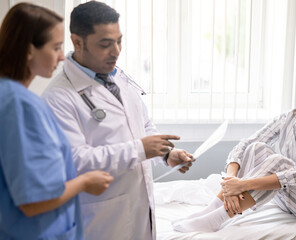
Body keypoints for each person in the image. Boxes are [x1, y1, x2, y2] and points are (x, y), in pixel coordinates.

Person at [42, 1, 193, 239]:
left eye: (119, 40)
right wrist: (140, 149)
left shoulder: (118, 77)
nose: (116, 51)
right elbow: (75, 161)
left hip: (139, 208)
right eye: (105, 44)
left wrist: (164, 154)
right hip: (101, 218)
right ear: (78, 42)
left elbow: (142, 126)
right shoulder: (58, 97)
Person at [172, 65, 296, 232]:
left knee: (279, 163)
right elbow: (245, 144)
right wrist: (231, 180)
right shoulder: (289, 118)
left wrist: (242, 185)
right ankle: (213, 209)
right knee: (256, 148)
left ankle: (217, 218)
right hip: (290, 200)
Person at [0, 3, 114, 240]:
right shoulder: (19, 104)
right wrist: (85, 182)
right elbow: (34, 201)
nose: (62, 56)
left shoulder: (7, 95)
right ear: (29, 49)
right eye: (56, 47)